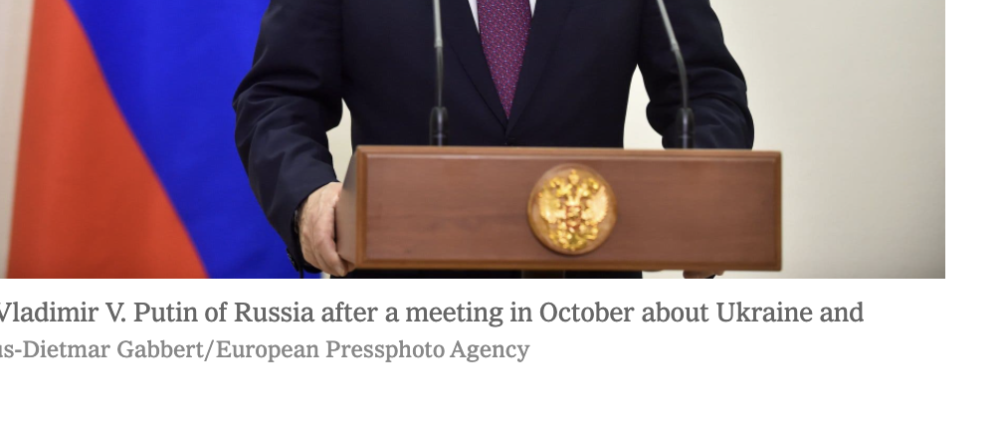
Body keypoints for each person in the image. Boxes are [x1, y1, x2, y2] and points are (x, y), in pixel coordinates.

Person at [233, 0, 753, 278]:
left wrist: (704, 193)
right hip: (406, 313)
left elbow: (703, 88)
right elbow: (279, 97)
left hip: (587, 302)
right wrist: (307, 195)